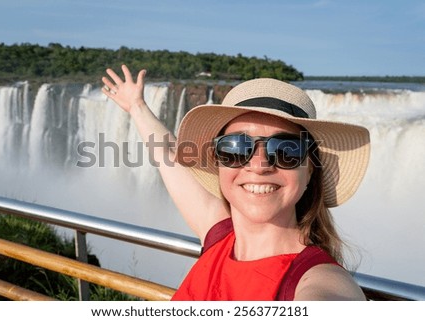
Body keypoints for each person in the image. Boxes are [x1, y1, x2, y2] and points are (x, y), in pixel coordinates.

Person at [102, 65, 370, 301]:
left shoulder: (316, 281)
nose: (260, 164)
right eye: (236, 148)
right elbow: (168, 155)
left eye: (286, 150)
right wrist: (137, 106)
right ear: (218, 161)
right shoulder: (219, 235)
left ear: (309, 169)